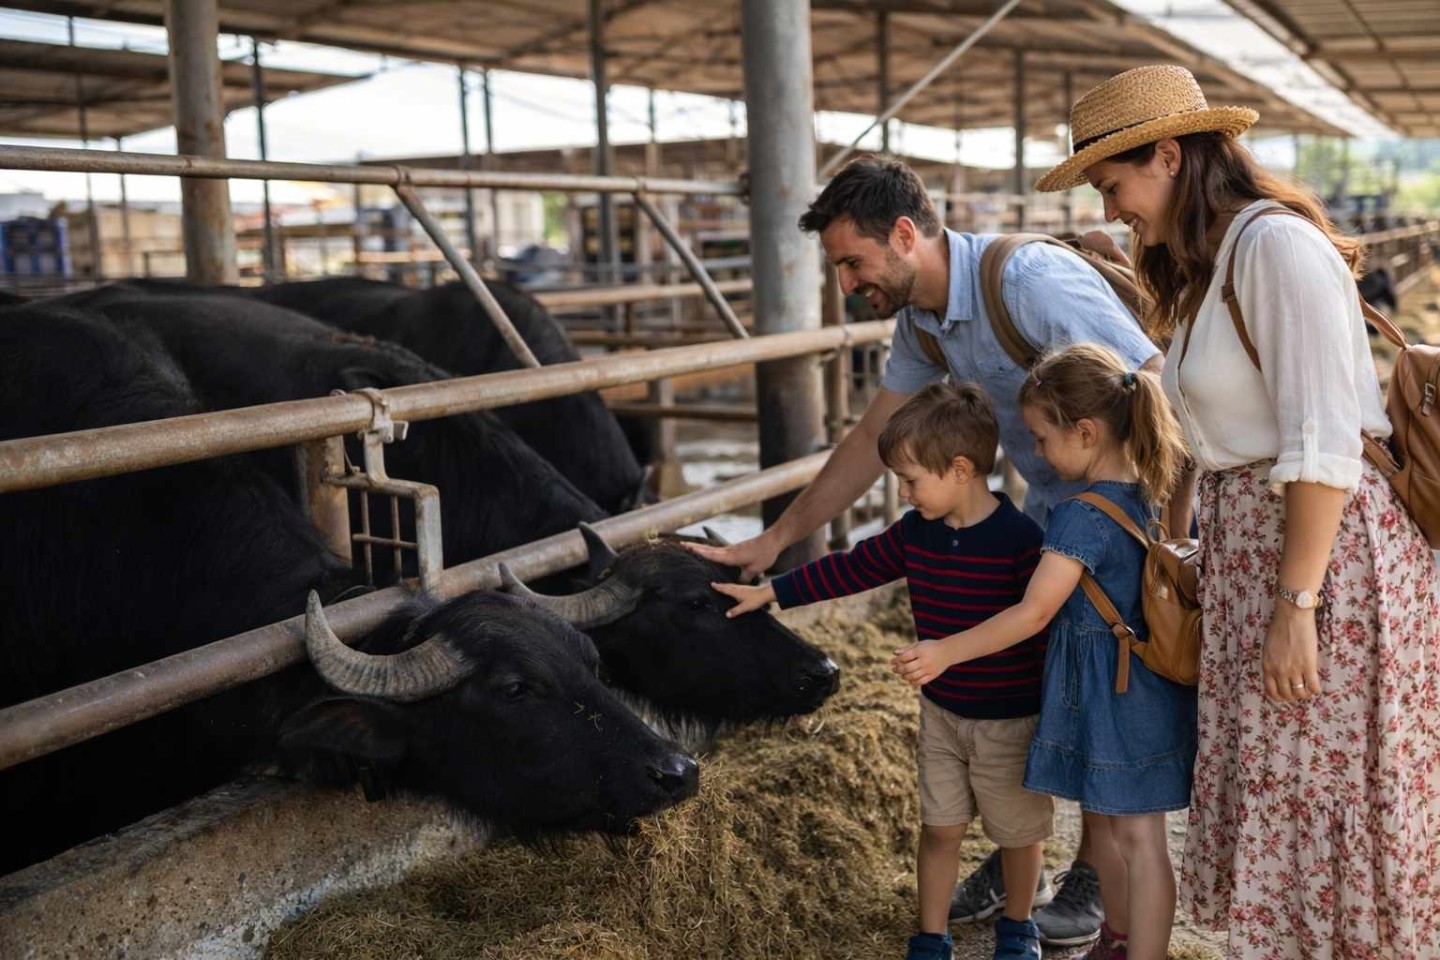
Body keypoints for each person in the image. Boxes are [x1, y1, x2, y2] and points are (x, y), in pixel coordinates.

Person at [688, 154, 1163, 947]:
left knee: (1097, 699)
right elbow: (874, 435)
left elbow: (1149, 380)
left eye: (853, 262)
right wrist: (774, 541)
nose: (845, 283)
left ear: (905, 235)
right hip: (1054, 512)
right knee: (1057, 690)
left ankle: (1086, 874)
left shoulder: (1027, 284)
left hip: (1116, 527)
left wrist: (1160, 536)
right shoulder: (922, 322)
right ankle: (1029, 857)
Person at [1036, 63, 1440, 958]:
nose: (1112, 210)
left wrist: (1296, 609)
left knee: (1328, 792)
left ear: (1170, 156)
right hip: (1260, 549)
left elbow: (1325, 442)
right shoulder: (1212, 264)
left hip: (1325, 560)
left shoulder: (1274, 248)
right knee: (1286, 788)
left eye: (1114, 185)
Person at [713, 381, 1051, 960]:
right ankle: (931, 935)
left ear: (961, 469)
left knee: (1019, 834)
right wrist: (771, 593)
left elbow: (1038, 623)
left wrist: (953, 654)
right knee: (939, 827)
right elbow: (852, 569)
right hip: (941, 714)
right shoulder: (916, 533)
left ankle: (1019, 927)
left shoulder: (1021, 542)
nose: (901, 492)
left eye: (911, 480)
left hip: (1009, 720)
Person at [895, 344, 1197, 960]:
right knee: (1112, 825)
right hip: (1129, 685)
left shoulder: (1078, 518)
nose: (1036, 453)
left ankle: (1144, 952)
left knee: (1140, 838)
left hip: (1116, 695)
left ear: (1084, 432)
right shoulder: (1143, 489)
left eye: (1041, 437)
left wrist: (947, 651)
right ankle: (1116, 936)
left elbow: (1033, 612)